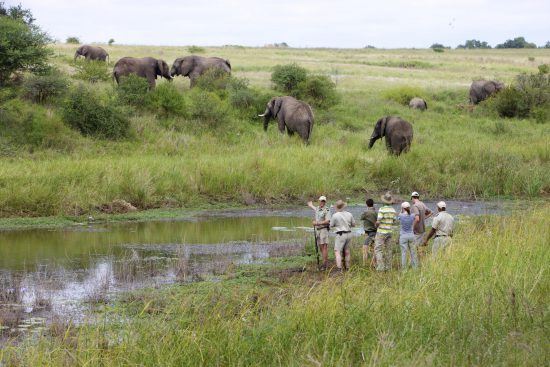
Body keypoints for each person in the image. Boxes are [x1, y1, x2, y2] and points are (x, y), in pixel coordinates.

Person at [329, 200, 355, 272]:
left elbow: (331, 225)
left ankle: (339, 269)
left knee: (337, 251)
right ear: (343, 206)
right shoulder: (349, 214)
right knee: (347, 251)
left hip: (340, 234)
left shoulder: (335, 215)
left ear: (337, 207)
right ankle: (347, 268)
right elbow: (353, 224)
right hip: (349, 234)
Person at [374, 192, 396, 271]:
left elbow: (378, 221)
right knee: (388, 249)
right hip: (389, 231)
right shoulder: (393, 210)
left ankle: (380, 267)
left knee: (378, 249)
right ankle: (388, 267)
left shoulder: (381, 209)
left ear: (384, 201)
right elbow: (394, 221)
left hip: (381, 232)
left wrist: (376, 225)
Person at [307, 196, 331, 270]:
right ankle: (324, 263)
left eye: (323, 201)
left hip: (323, 230)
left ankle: (324, 265)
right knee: (321, 247)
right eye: (321, 201)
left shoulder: (327, 210)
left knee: (324, 247)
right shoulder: (317, 208)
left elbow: (328, 221)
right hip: (318, 230)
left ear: (325, 202)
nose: (322, 202)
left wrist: (317, 223)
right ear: (319, 201)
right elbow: (315, 209)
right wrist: (310, 205)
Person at [397, 202, 419, 269]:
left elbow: (398, 217)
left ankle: (404, 270)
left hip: (403, 236)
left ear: (403, 208)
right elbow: (416, 219)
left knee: (404, 253)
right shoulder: (412, 215)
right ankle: (415, 268)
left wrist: (401, 210)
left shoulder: (401, 215)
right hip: (411, 235)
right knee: (413, 252)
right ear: (409, 208)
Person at [360, 198, 377, 266]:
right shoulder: (376, 212)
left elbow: (361, 218)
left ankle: (364, 265)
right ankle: (374, 264)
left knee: (365, 248)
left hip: (369, 233)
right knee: (373, 249)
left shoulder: (366, 213)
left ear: (366, 204)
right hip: (375, 232)